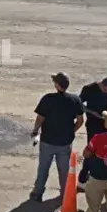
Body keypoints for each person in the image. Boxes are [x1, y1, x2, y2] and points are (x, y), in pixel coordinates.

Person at [30, 72, 84, 202]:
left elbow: (40, 118)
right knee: (64, 170)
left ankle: (37, 193)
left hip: (48, 140)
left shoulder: (48, 98)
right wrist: (72, 131)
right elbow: (80, 120)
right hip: (65, 142)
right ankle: (65, 194)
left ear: (57, 85)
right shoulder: (75, 100)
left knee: (43, 168)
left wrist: (36, 130)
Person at [77, 77, 107, 190]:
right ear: (102, 84)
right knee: (91, 151)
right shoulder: (89, 89)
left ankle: (102, 177)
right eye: (105, 90)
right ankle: (83, 178)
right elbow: (80, 104)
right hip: (93, 124)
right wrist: (93, 113)